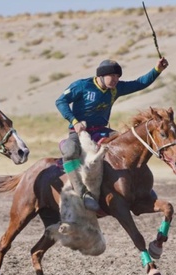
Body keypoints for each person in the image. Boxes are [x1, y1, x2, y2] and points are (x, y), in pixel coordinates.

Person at [55, 57, 169, 211]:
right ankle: (82, 193)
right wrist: (75, 122)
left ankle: (139, 188)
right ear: (101, 76)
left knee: (128, 144)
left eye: (118, 77)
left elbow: (140, 83)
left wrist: (157, 70)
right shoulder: (82, 86)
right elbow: (60, 101)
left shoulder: (115, 89)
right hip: (81, 132)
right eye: (112, 76)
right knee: (69, 151)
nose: (116, 79)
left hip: (102, 130)